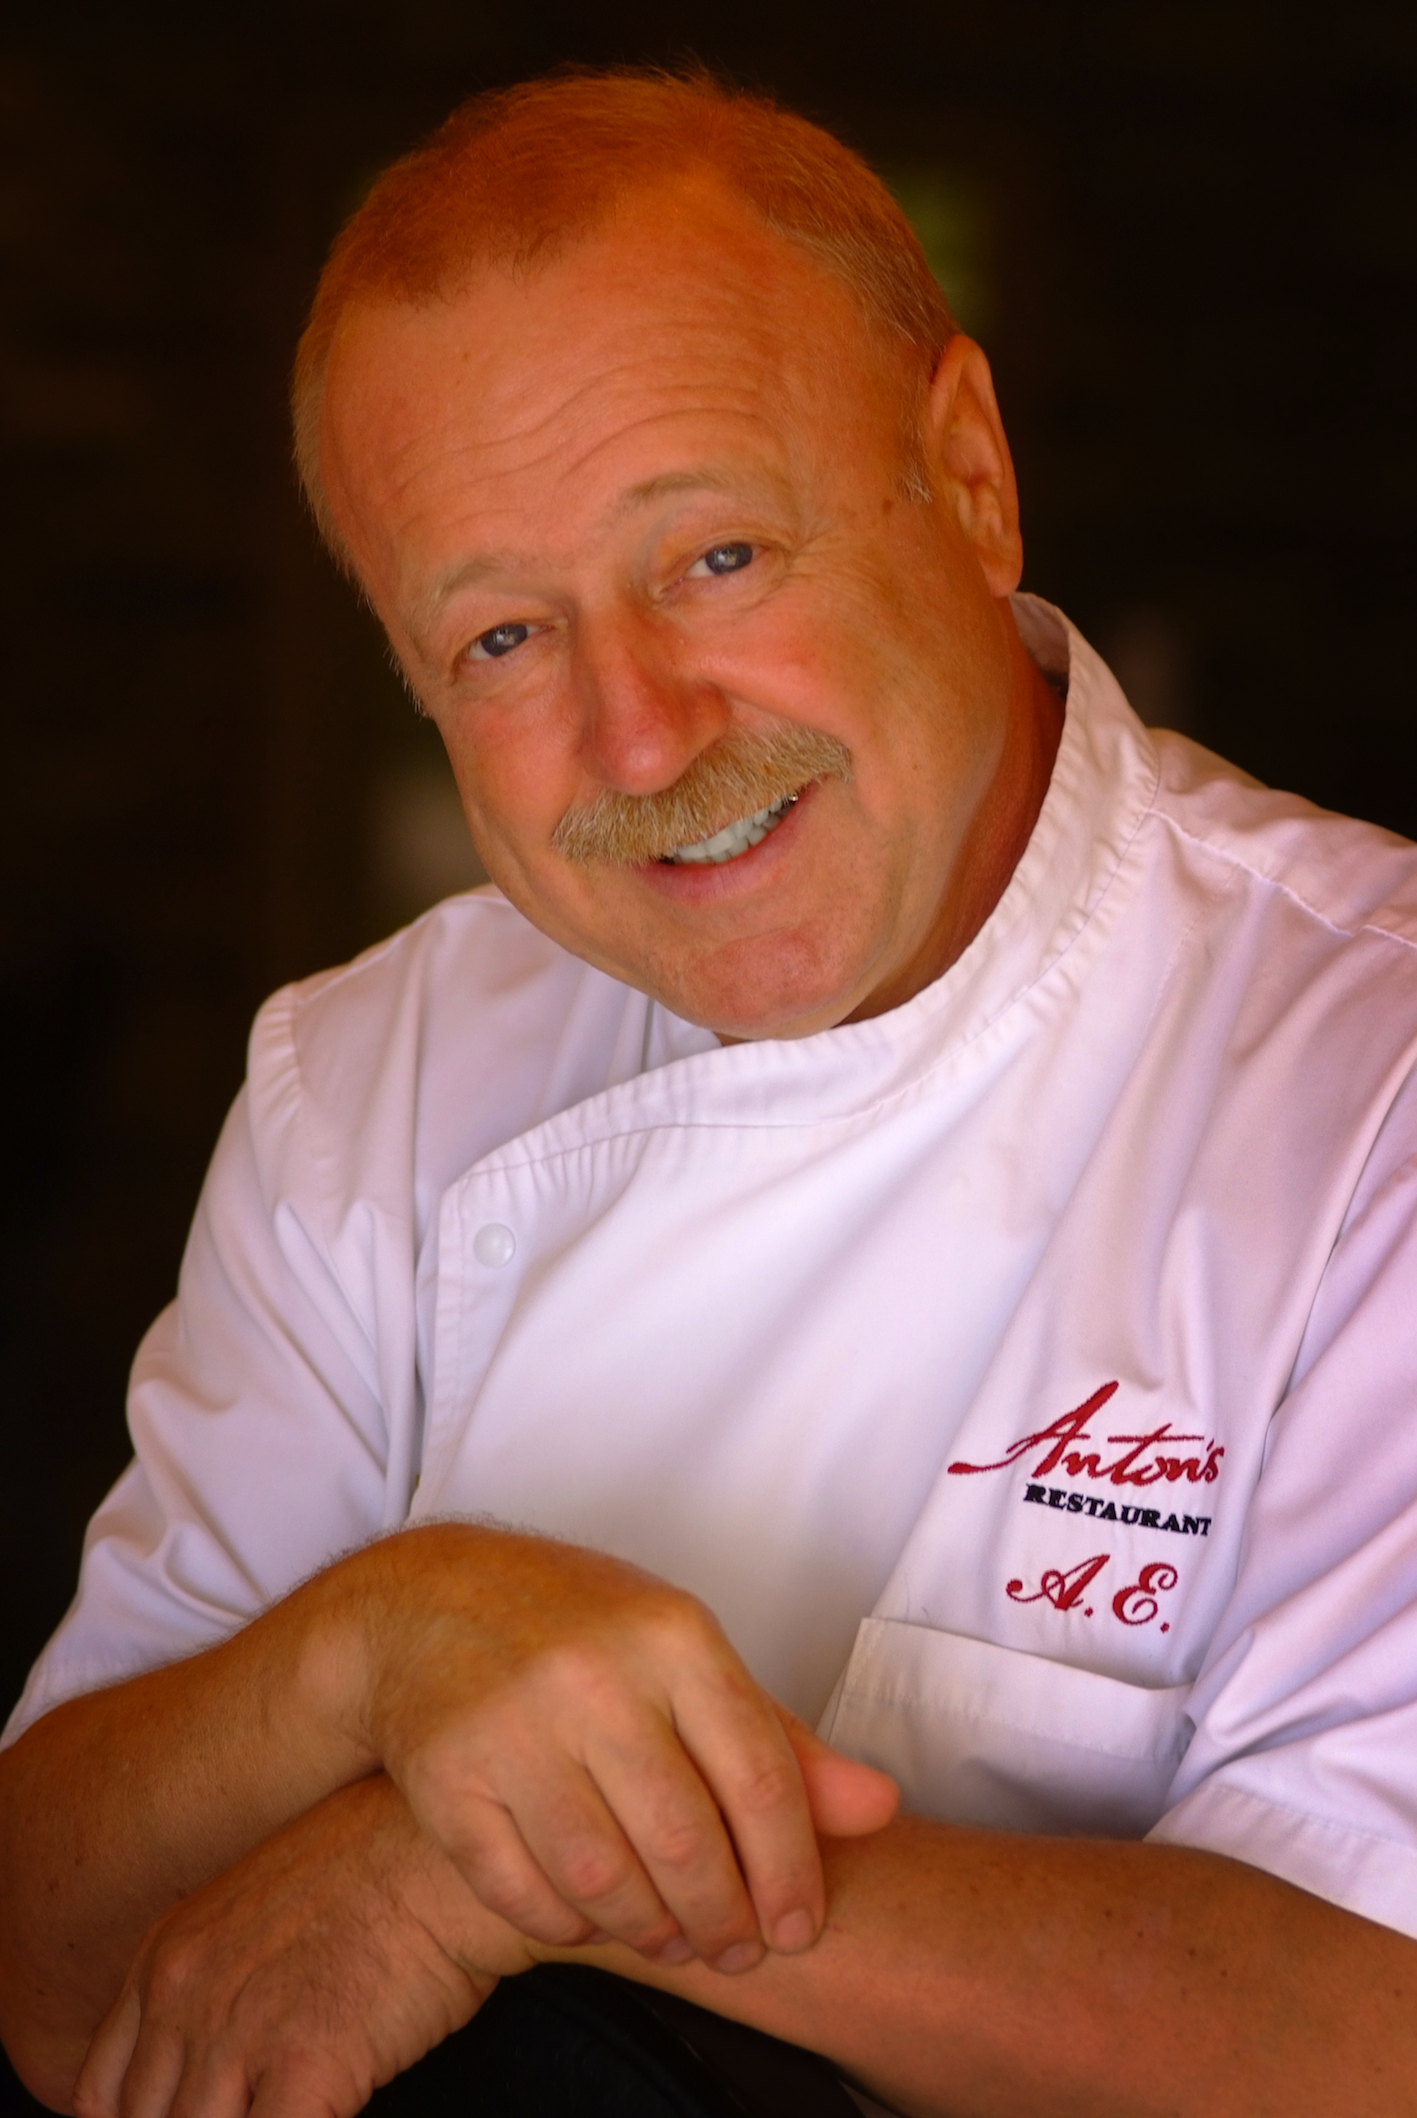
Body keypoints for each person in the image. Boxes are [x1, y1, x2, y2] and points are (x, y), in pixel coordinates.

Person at [4, 63, 1417, 2118]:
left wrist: (504, 1870)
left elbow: (1376, 2033)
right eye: (503, 638)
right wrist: (376, 1651)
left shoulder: (1365, 1073)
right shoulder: (371, 1084)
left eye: (718, 556)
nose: (644, 738)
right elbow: (49, 1969)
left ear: (971, 473)